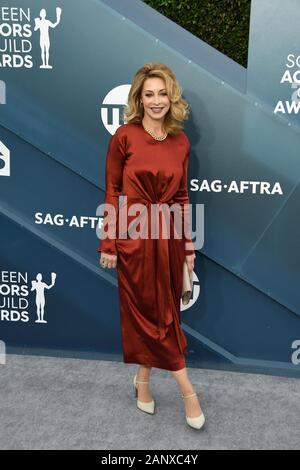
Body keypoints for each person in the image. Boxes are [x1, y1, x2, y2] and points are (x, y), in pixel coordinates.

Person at [97, 62, 205, 430]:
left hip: (170, 240)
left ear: (171, 97)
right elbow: (113, 191)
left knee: (165, 315)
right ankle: (188, 390)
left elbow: (182, 196)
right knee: (148, 315)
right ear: (138, 99)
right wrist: (109, 242)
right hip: (134, 238)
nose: (156, 101)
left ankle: (142, 380)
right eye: (149, 94)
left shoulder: (180, 141)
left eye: (162, 93)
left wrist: (188, 245)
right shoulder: (124, 137)